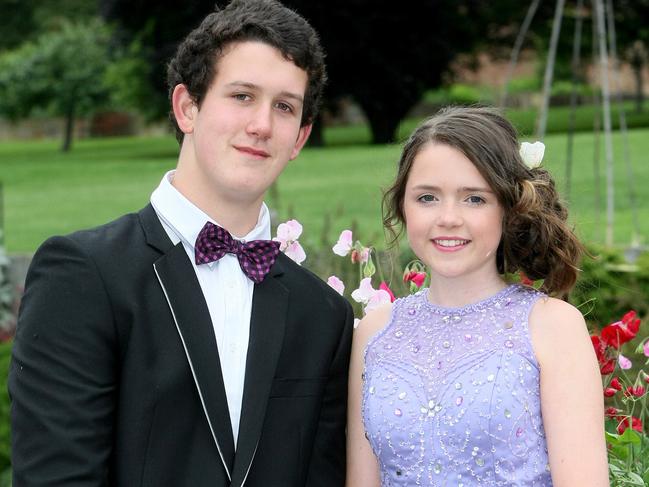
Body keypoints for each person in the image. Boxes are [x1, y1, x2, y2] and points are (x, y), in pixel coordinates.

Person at [9, 1, 353, 486]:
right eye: (241, 96)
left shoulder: (323, 314)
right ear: (187, 107)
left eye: (284, 107)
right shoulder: (85, 274)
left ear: (299, 138)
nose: (261, 125)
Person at [346, 106, 609, 486]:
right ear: (403, 206)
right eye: (427, 197)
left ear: (509, 208)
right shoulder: (376, 331)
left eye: (474, 199)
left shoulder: (551, 326)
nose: (448, 217)